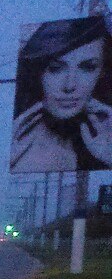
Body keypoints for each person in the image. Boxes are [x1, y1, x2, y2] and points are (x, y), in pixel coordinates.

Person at [11, 16, 112, 173]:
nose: (70, 86)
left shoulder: (101, 144)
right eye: (55, 68)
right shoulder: (17, 147)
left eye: (88, 67)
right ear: (38, 72)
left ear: (102, 73)